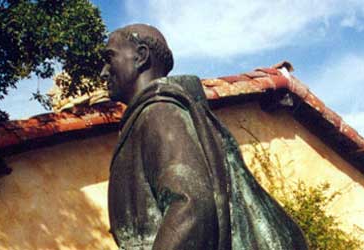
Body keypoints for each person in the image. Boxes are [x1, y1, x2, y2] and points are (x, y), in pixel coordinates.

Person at [101, 23, 307, 250]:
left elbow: (191, 206)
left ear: (141, 56)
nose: (103, 71)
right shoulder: (152, 114)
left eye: (110, 58)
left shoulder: (159, 112)